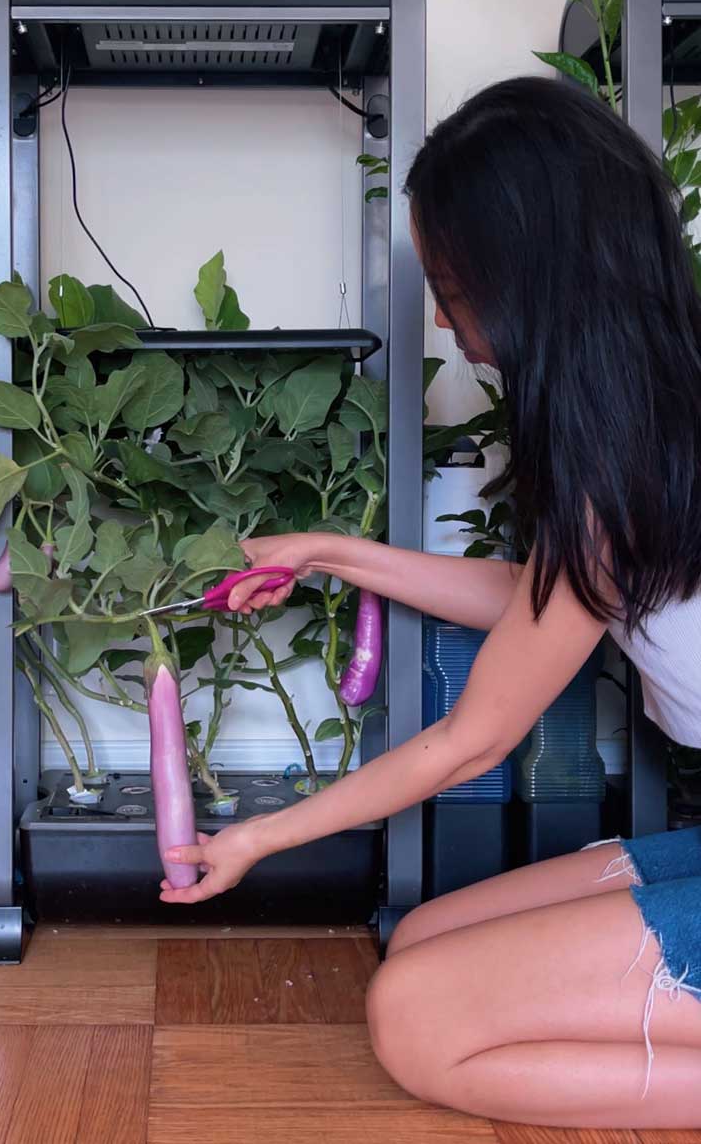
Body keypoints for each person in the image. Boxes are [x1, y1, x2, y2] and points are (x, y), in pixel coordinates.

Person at [159, 77, 701, 1130]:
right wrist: (334, 553)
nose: (448, 325)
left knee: (414, 1015)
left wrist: (257, 840)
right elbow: (548, 602)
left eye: (453, 288)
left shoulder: (623, 465)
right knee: (420, 945)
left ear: (531, 279)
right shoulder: (646, 426)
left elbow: (469, 741)